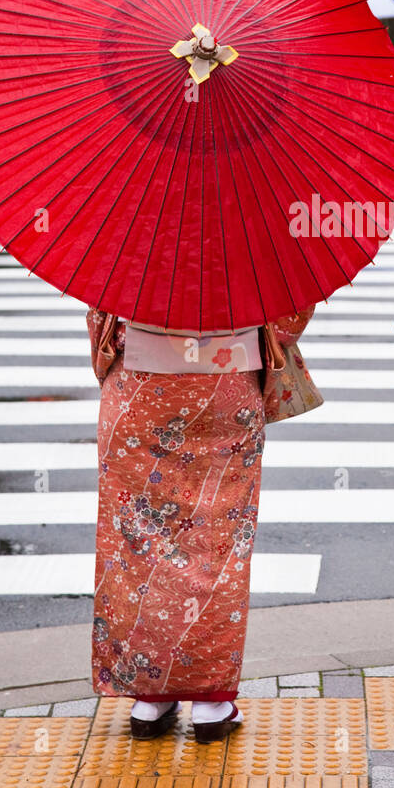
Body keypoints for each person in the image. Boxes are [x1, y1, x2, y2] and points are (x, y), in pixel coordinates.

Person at [86, 305, 313, 741]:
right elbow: (291, 306)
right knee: (218, 543)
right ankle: (211, 701)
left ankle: (149, 697)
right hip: (226, 385)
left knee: (142, 542)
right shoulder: (252, 233)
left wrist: (110, 359)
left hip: (139, 388)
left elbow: (102, 313)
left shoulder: (132, 235)